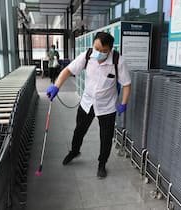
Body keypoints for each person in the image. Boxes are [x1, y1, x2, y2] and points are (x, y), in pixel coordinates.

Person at [46, 32, 131, 179]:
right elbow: (68, 70)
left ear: (110, 49)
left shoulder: (118, 61)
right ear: (93, 45)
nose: (100, 53)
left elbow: (127, 84)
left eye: (104, 51)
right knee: (79, 129)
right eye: (97, 49)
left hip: (107, 106)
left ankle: (102, 164)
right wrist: (56, 86)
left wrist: (123, 103)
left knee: (106, 137)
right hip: (87, 102)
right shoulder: (87, 55)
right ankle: (74, 151)